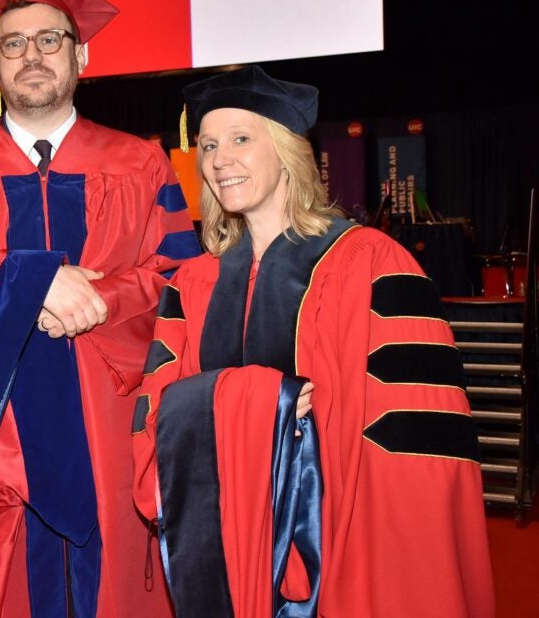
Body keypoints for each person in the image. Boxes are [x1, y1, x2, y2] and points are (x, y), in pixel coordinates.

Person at [0, 0, 200, 617]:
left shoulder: (141, 163)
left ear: (80, 55)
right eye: (12, 43)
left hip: (108, 429)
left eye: (49, 40)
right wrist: (31, 285)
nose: (30, 55)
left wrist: (99, 300)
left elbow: (181, 283)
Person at [131, 65, 496, 617]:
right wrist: (260, 399)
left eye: (240, 139)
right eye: (208, 145)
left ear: (286, 152)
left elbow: (418, 437)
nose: (220, 159)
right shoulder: (192, 284)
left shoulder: (372, 262)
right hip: (230, 544)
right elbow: (157, 413)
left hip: (350, 539)